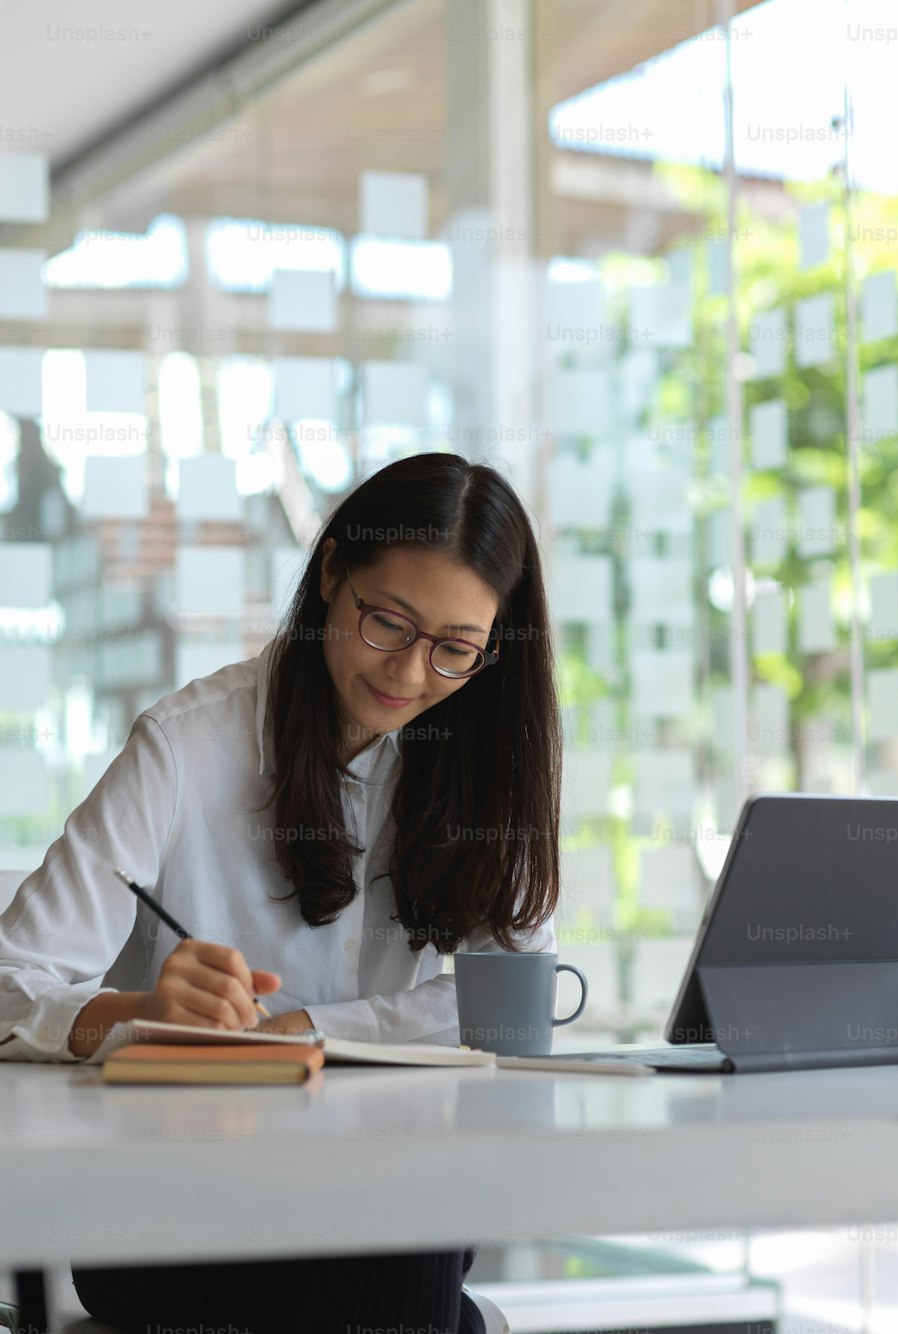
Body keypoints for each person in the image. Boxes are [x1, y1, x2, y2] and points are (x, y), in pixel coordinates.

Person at [0, 452, 563, 1334]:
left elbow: (513, 1009)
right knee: (413, 1281)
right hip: (172, 1211)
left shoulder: (481, 762)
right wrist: (137, 1010)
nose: (412, 675)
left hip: (384, 1182)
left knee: (403, 1228)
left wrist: (304, 1030)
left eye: (455, 650)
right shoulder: (186, 749)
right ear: (333, 574)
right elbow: (10, 981)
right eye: (388, 624)